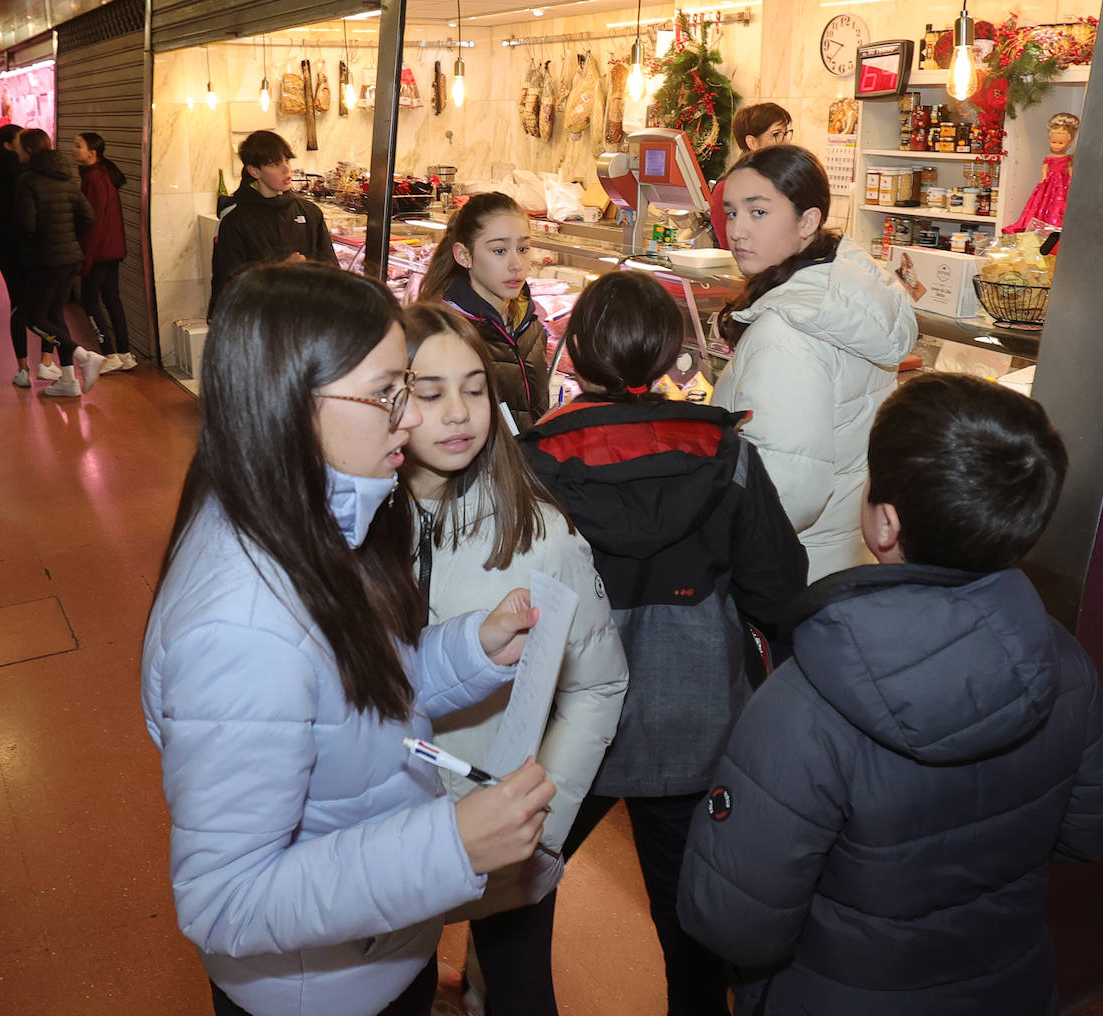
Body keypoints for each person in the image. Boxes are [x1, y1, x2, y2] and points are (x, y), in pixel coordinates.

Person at [141, 262, 557, 1016]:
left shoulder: (310, 518)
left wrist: (470, 652)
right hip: (326, 989)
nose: (409, 418)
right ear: (293, 404)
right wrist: (450, 847)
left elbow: (350, 703)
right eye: (389, 393)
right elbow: (226, 899)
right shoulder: (241, 624)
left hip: (375, 946)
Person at [677, 372, 1103, 1016]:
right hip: (1009, 984)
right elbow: (1092, 832)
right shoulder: (1065, 662)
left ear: (884, 522)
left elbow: (733, 920)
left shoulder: (802, 703)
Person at [519, 272, 808, 1016]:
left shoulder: (528, 465)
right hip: (695, 715)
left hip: (562, 721)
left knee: (516, 893)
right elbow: (777, 590)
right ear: (670, 354)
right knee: (690, 928)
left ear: (573, 349)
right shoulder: (727, 452)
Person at [395, 302, 628, 1016]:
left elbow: (600, 683)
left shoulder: (540, 533)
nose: (460, 413)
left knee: (518, 985)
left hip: (500, 833)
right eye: (429, 394)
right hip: (380, 843)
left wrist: (544, 824)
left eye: (475, 388)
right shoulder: (347, 527)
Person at [713, 145, 917, 583]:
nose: (736, 231)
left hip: (791, 569)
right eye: (731, 212)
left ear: (808, 221)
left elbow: (788, 491)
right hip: (841, 553)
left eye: (758, 212)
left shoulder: (786, 332)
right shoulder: (842, 293)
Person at [418, 192, 549, 431]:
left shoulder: (531, 325)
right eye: (499, 250)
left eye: (523, 248)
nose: (516, 265)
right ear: (464, 255)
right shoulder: (446, 336)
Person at [13, 128, 106, 398]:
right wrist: (65, 232)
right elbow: (87, 217)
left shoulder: (27, 181)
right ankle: (68, 380)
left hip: (46, 260)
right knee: (55, 316)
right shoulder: (66, 177)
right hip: (70, 258)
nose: (18, 151)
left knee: (34, 319)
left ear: (29, 151)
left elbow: (27, 226)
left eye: (20, 147)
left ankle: (84, 356)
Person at [210, 129, 337, 305]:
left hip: (307, 317)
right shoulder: (235, 221)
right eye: (275, 164)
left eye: (287, 161)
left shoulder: (309, 212)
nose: (286, 169)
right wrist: (281, 271)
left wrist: (310, 271)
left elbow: (332, 269)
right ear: (255, 171)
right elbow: (228, 285)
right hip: (261, 321)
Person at [0, 124, 54, 386]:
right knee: (47, 305)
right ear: (12, 145)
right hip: (31, 248)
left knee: (18, 305)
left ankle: (22, 371)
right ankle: (46, 363)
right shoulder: (26, 175)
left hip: (4, 248)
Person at [74, 132, 136, 373]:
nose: (73, 149)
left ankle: (109, 354)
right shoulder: (102, 174)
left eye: (78, 145)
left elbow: (94, 223)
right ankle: (124, 353)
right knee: (112, 298)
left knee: (90, 301)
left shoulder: (94, 178)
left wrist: (86, 259)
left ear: (92, 153)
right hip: (112, 249)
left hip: (99, 250)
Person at [709, 102, 792, 249]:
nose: (785, 142)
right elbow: (730, 247)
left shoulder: (781, 182)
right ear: (752, 142)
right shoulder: (726, 188)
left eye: (786, 134)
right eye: (776, 134)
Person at [1005, 112, 1081, 235]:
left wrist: (1072, 179)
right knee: (1044, 202)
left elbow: (1070, 169)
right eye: (1054, 142)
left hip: (1063, 183)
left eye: (1060, 143)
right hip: (1049, 183)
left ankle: (1057, 225)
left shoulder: (1068, 158)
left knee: (1060, 203)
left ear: (1069, 143)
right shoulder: (1049, 157)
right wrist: (1044, 178)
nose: (1056, 145)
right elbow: (1045, 167)